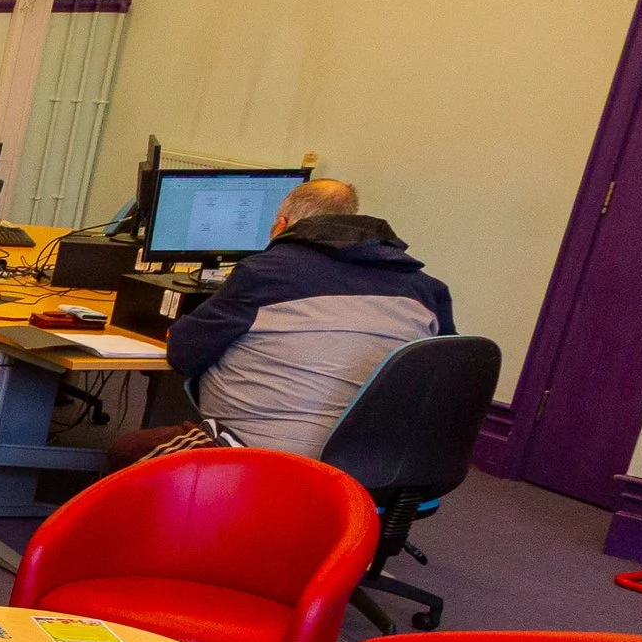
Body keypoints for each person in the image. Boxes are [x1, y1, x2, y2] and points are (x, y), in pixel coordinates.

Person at [108, 179, 455, 467]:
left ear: (283, 225)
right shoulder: (427, 290)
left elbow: (183, 354)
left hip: (260, 451)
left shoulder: (266, 274)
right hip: (373, 461)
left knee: (127, 451)